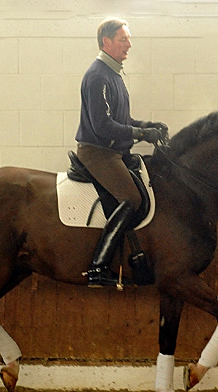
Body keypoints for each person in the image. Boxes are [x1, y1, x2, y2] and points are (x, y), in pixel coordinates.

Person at [75, 18, 167, 287]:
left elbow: (121, 119)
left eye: (128, 38)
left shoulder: (113, 74)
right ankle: (98, 266)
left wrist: (147, 126)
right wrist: (140, 134)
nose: (129, 44)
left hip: (113, 151)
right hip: (98, 153)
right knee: (131, 197)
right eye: (123, 39)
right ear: (107, 42)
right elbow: (103, 126)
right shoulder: (97, 76)